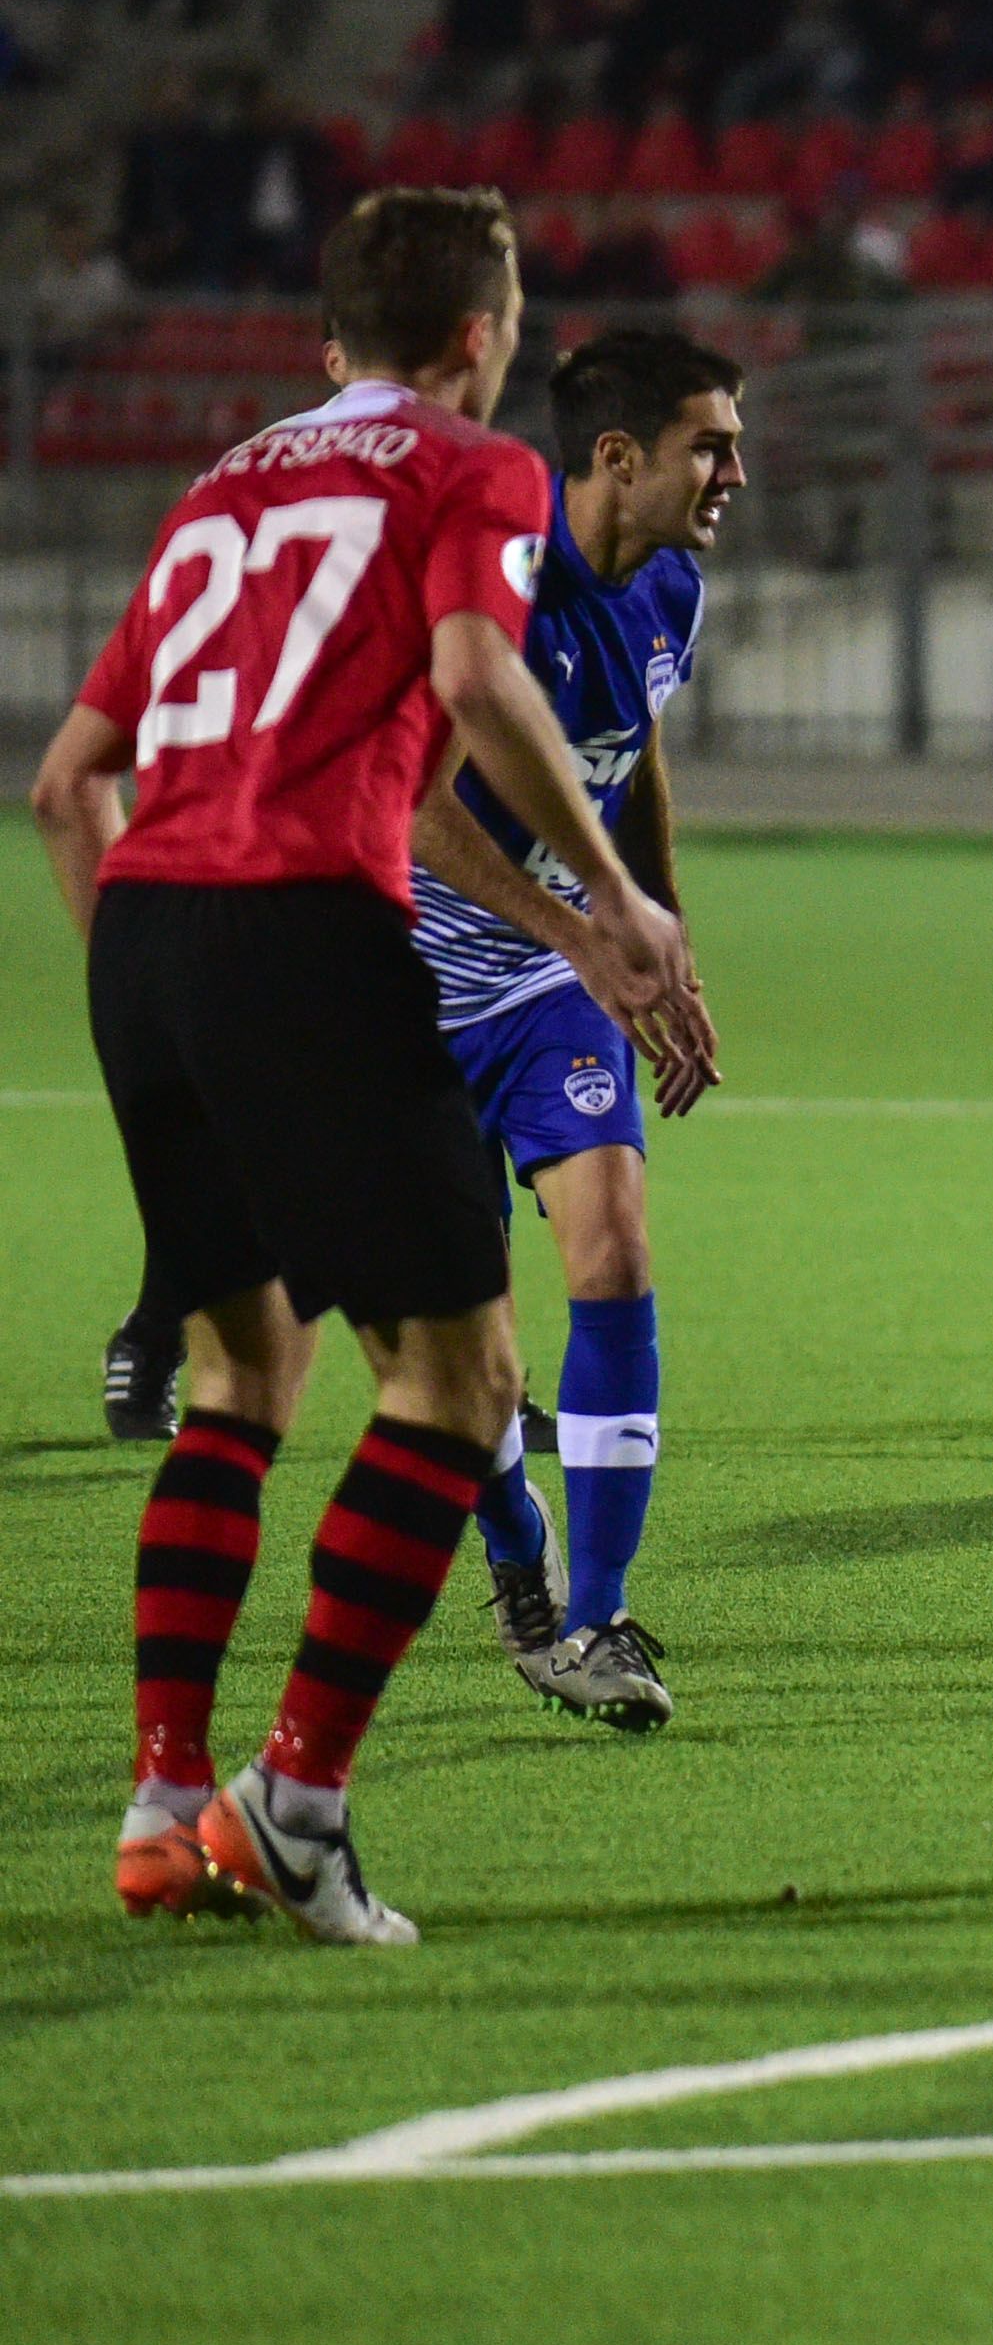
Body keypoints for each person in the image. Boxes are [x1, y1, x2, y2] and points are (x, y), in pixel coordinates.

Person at [26, 187, 699, 1944]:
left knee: (244, 1369)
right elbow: (479, 676)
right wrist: (616, 906)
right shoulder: (473, 471)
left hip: (147, 938)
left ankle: (168, 1804)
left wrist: (148, 1001)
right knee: (462, 1387)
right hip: (299, 928)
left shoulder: (221, 483)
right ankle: (300, 1803)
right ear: (483, 333)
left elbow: (63, 783)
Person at [406, 328, 747, 1731]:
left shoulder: (674, 580)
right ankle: (521, 1558)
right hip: (406, 980)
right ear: (619, 458)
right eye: (709, 447)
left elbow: (636, 745)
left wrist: (663, 937)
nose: (735, 471)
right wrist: (590, 936)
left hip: (552, 982)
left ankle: (596, 1620)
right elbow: (417, 810)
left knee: (611, 1248)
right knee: (462, 1353)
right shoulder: (501, 571)